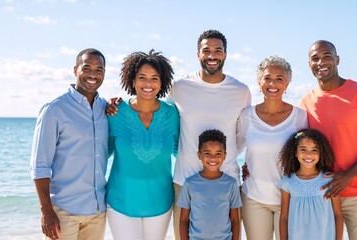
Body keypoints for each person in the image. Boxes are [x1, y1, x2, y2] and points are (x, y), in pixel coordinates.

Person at [105, 29, 252, 239]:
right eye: (206, 50)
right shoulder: (179, 87)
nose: (212, 55)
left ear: (226, 54)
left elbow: (243, 133)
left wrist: (235, 160)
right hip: (183, 180)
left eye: (217, 50)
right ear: (197, 54)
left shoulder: (240, 90)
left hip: (226, 178)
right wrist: (113, 103)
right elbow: (156, 111)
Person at [299, 40, 357, 240]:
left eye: (327, 57)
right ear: (309, 64)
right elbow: (299, 149)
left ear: (337, 60)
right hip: (323, 194)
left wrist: (348, 175)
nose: (321, 62)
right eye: (315, 58)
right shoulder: (306, 102)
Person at [30, 48, 108, 240]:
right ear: (75, 70)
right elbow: (40, 165)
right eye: (87, 68)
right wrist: (46, 211)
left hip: (97, 212)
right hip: (63, 212)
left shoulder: (104, 107)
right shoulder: (54, 109)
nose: (93, 74)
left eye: (99, 70)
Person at [106, 50, 179, 239]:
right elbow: (101, 152)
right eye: (142, 77)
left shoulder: (172, 115)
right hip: (121, 202)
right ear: (132, 80)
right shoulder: (115, 112)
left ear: (162, 82)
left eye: (155, 78)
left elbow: (182, 152)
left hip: (160, 202)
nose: (148, 83)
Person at [236, 55, 308, 240]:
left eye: (279, 79)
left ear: (287, 84)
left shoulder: (300, 117)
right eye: (267, 78)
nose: (272, 83)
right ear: (259, 82)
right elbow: (234, 150)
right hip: (253, 198)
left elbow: (308, 157)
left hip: (290, 199)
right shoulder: (246, 116)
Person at [279, 129, 343, 240]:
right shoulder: (287, 182)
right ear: (295, 152)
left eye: (314, 150)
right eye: (303, 149)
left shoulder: (329, 180)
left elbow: (338, 214)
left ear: (320, 153)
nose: (309, 155)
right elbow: (284, 217)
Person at [177, 129, 241, 240]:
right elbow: (183, 220)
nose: (213, 158)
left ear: (225, 156)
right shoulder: (190, 183)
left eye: (218, 153)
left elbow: (235, 219)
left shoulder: (231, 184)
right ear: (199, 155)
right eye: (207, 153)